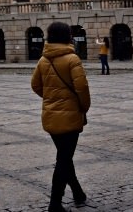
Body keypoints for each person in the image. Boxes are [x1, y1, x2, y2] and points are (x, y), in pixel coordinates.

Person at [31, 22, 90, 212]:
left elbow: (35, 85)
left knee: (65, 156)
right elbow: (82, 89)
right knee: (64, 159)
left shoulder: (43, 60)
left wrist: (51, 99)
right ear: (67, 36)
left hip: (50, 116)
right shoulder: (72, 59)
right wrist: (82, 107)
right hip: (70, 116)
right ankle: (55, 203)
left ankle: (78, 192)